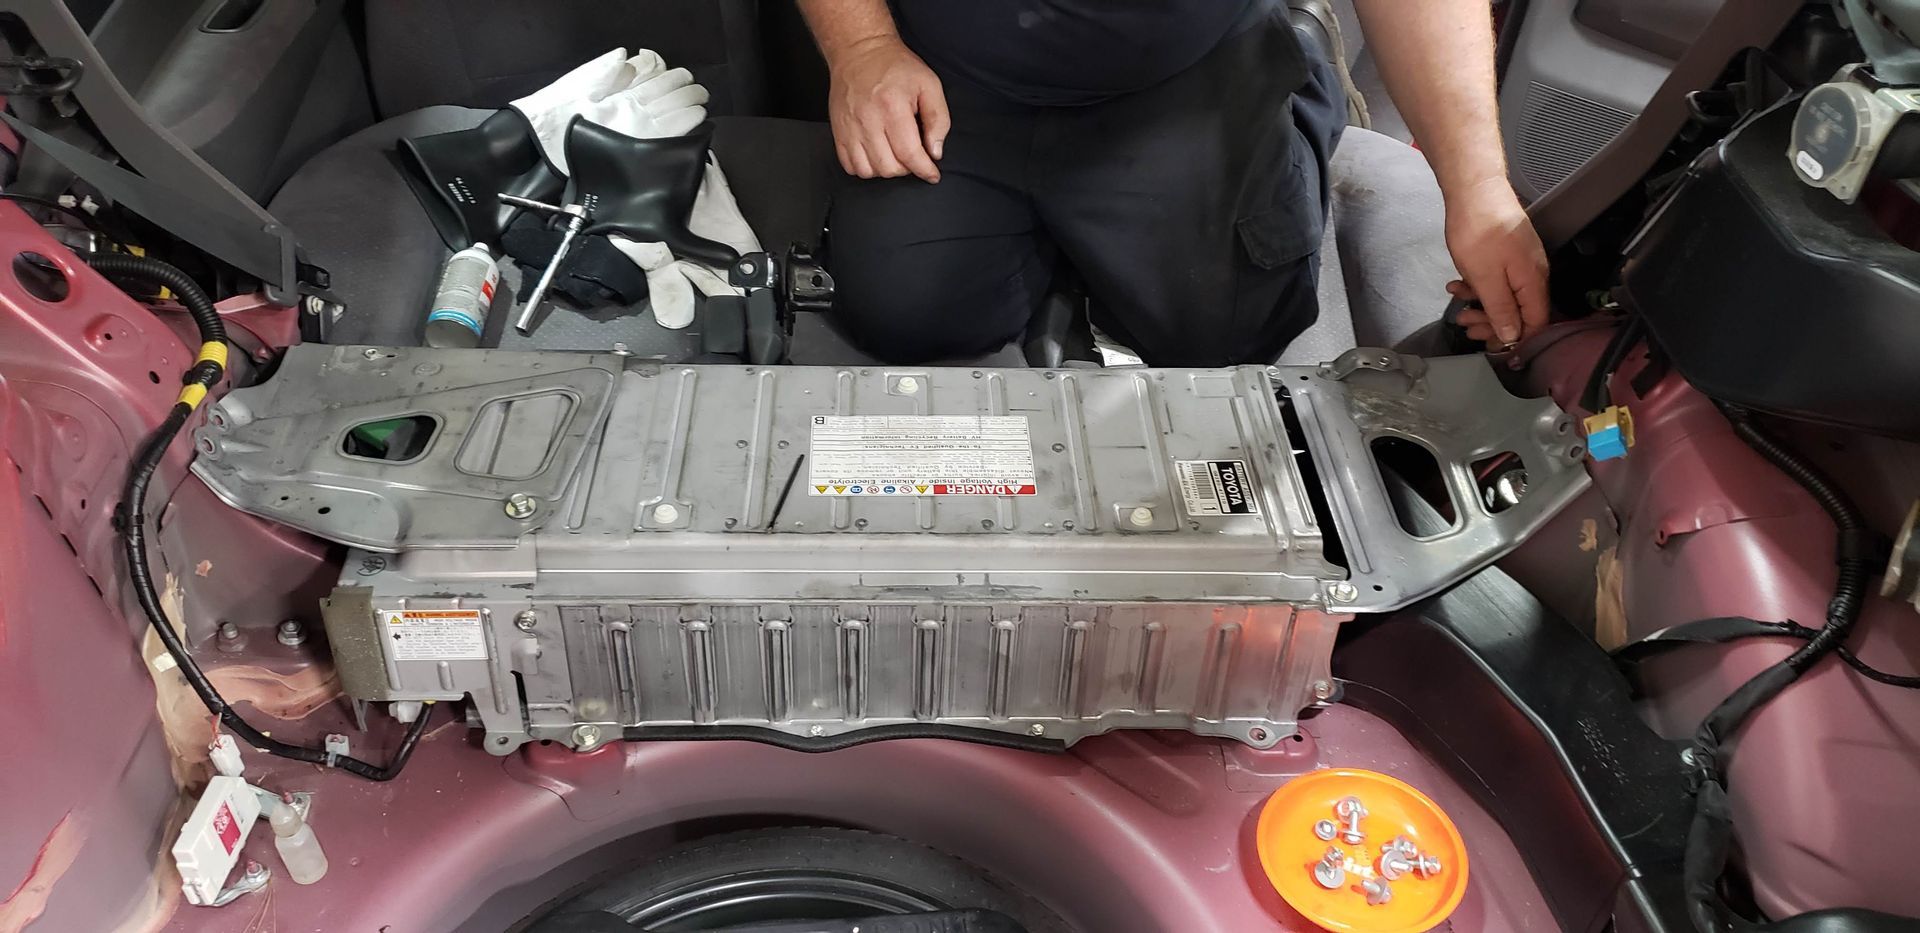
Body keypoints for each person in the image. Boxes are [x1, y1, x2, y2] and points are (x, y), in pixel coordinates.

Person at [796, 0, 1549, 364]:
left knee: (1229, 331)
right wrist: (862, 45)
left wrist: (1477, 188)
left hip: (1183, 68)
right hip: (950, 63)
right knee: (905, 310)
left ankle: (1294, 71)